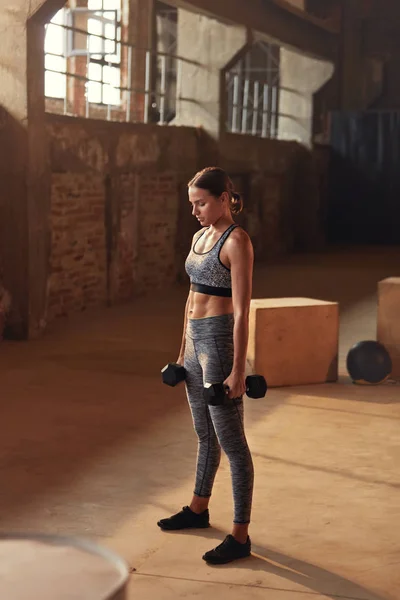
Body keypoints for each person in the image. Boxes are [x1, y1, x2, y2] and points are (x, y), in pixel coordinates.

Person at [157, 167, 255, 565]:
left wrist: (238, 371)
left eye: (200, 203)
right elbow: (191, 298)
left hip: (218, 345)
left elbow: (242, 311)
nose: (195, 211)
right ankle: (199, 509)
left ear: (223, 198)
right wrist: (181, 352)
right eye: (192, 204)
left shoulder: (237, 242)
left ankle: (240, 535)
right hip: (195, 343)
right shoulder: (200, 237)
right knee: (203, 433)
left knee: (232, 444)